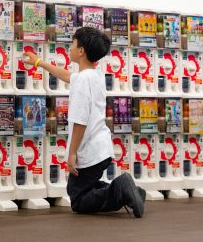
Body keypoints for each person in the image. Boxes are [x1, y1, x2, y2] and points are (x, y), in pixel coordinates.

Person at [25, 27, 146, 218]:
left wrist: (72, 153)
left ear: (81, 51)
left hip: (89, 151)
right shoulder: (94, 75)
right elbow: (67, 76)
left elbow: (80, 120)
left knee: (78, 199)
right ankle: (132, 191)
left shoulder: (83, 80)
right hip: (100, 147)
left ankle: (121, 191)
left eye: (73, 45)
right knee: (84, 188)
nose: (70, 49)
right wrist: (39, 62)